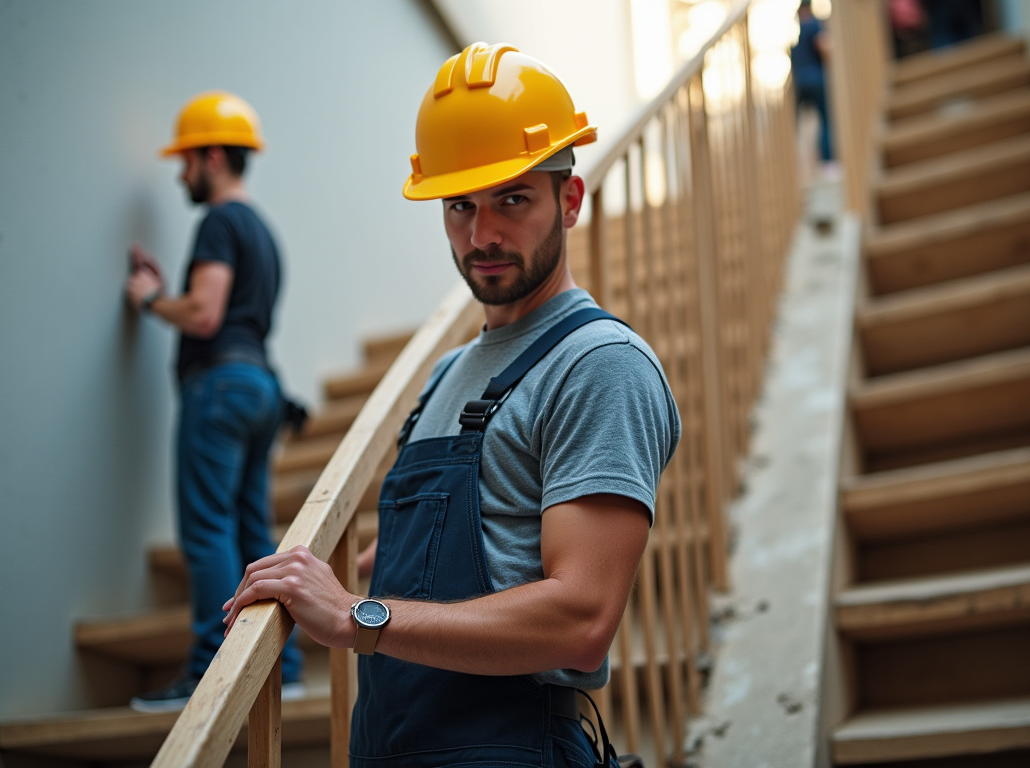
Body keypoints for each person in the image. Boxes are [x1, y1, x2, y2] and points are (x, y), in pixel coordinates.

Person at [222, 44, 681, 767]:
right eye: (460, 205)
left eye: (513, 199)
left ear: (570, 199)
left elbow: (581, 618)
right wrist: (383, 561)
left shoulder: (599, 366)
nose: (482, 235)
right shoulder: (444, 374)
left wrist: (357, 612)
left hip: (505, 748)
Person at [123, 91, 302, 712]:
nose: (182, 173)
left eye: (188, 160)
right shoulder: (265, 233)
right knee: (254, 530)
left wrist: (149, 299)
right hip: (259, 386)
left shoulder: (219, 223)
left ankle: (207, 668)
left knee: (207, 530)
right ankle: (287, 663)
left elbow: (204, 313)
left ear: (215, 157)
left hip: (220, 389)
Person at [791, 0, 835, 166]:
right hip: (816, 79)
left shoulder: (798, 36)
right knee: (825, 120)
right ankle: (827, 160)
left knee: (801, 125)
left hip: (800, 83)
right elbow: (823, 47)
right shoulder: (814, 26)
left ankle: (802, 164)